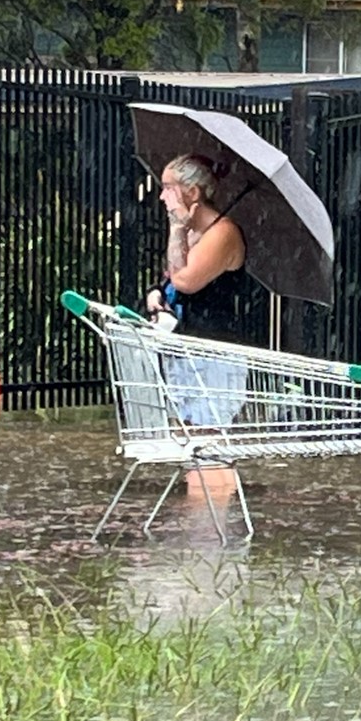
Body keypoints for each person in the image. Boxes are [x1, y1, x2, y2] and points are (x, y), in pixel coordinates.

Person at [150, 154, 251, 504]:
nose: (162, 196)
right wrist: (157, 294)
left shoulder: (222, 233)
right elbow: (171, 281)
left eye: (168, 188)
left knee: (208, 439)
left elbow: (188, 280)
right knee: (193, 437)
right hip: (189, 347)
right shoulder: (196, 233)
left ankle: (209, 519)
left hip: (215, 351)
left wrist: (177, 229)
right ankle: (206, 516)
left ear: (192, 192)